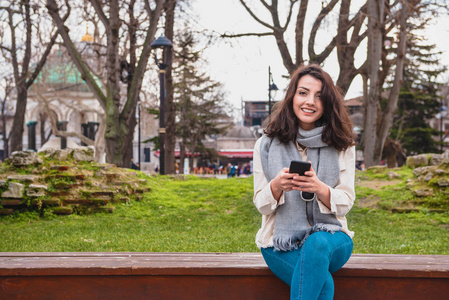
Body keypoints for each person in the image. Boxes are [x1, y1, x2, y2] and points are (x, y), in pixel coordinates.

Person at [253, 64, 356, 300]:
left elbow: (346, 202)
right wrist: (277, 187)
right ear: (292, 97)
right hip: (279, 244)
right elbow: (261, 204)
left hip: (332, 238)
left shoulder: (342, 145)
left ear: (328, 103)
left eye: (319, 96)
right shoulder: (265, 145)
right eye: (303, 93)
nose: (310, 101)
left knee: (317, 243)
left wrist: (320, 189)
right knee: (323, 284)